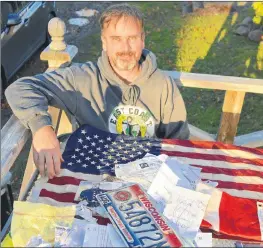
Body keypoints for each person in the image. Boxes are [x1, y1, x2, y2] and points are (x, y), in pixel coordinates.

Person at [5, 3, 190, 179]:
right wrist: (42, 129)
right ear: (104, 42)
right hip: (94, 176)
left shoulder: (163, 85)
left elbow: (179, 147)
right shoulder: (82, 78)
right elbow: (20, 88)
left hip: (147, 179)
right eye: (116, 39)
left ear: (142, 40)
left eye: (132, 38)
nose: (125, 48)